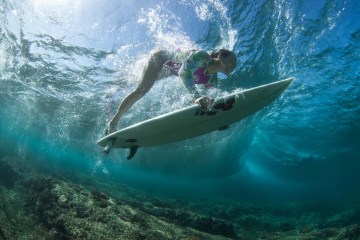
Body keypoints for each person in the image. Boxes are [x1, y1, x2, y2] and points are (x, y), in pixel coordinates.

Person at [106, 48, 237, 134]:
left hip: (169, 70)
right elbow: (183, 72)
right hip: (161, 57)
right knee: (142, 90)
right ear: (220, 55)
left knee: (142, 82)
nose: (233, 66)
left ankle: (124, 82)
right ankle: (113, 122)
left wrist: (219, 120)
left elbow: (212, 101)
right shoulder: (202, 56)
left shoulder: (212, 79)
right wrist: (196, 96)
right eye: (232, 61)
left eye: (235, 66)